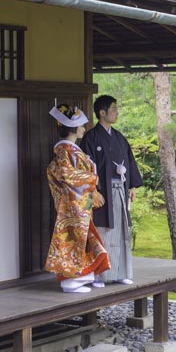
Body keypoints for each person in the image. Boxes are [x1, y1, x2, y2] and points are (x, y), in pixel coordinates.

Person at [45, 104, 110, 293]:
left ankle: (79, 277)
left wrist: (91, 189)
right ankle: (70, 279)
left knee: (81, 239)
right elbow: (67, 175)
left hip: (76, 202)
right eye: (81, 126)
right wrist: (93, 185)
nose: (83, 129)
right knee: (74, 240)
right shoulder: (67, 151)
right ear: (73, 129)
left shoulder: (70, 150)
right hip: (72, 204)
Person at [80, 95, 143, 287]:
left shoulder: (119, 137)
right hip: (101, 194)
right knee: (103, 231)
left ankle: (121, 272)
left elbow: (129, 161)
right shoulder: (91, 138)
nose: (116, 112)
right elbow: (86, 167)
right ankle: (100, 274)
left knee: (122, 229)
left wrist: (131, 185)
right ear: (102, 112)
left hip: (120, 190)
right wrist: (94, 191)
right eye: (113, 109)